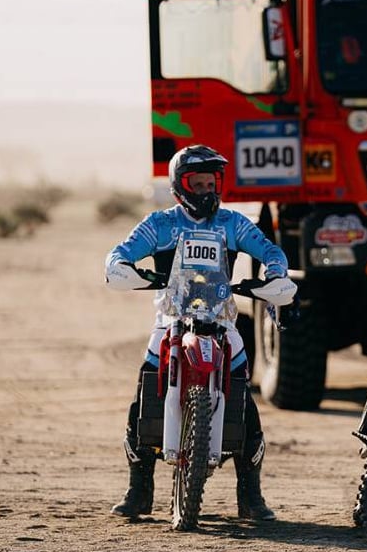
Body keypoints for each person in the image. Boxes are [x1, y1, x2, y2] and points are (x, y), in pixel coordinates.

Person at [104, 144, 293, 522]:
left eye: (212, 183)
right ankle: (139, 490)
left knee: (246, 402)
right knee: (143, 396)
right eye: (198, 183)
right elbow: (119, 254)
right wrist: (125, 269)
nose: (206, 191)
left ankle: (250, 495)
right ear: (180, 185)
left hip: (222, 320)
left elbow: (271, 251)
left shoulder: (233, 223)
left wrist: (275, 273)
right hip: (170, 320)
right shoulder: (159, 224)